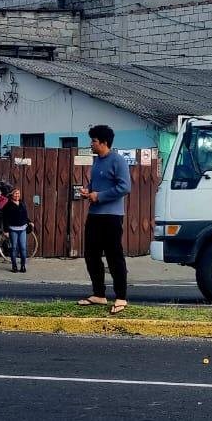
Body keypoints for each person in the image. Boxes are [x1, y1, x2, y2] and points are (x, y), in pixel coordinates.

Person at [76, 125, 131, 314]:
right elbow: (94, 185)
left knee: (114, 256)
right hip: (94, 215)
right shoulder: (97, 162)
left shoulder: (118, 160)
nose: (91, 144)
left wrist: (99, 196)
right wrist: (88, 191)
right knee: (91, 254)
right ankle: (99, 294)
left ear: (104, 142)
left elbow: (124, 187)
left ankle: (121, 297)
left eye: (94, 141)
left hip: (112, 216)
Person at [1, 188, 32, 273]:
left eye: (18, 194)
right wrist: (6, 230)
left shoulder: (22, 203)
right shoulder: (8, 205)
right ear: (12, 195)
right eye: (15, 194)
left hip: (22, 229)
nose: (17, 195)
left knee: (23, 248)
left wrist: (29, 222)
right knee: (14, 248)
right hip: (13, 229)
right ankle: (14, 266)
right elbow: (5, 219)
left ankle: (23, 266)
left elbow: (25, 215)